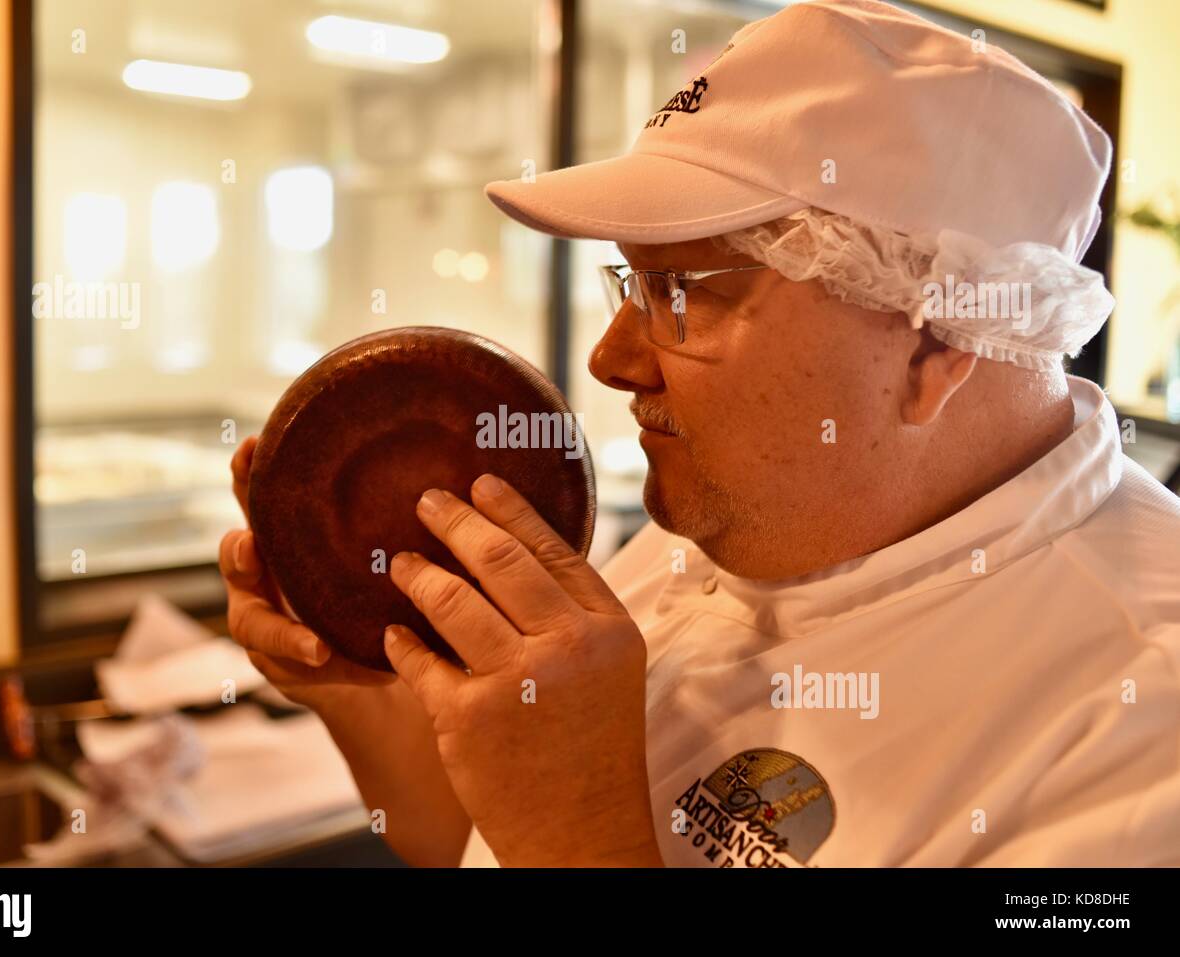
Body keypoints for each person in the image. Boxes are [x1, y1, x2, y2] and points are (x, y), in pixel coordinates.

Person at [220, 0, 1180, 867]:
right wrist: (364, 690)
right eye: (632, 282)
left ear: (934, 343)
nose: (610, 358)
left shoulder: (1141, 726)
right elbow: (472, 845)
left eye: (681, 293)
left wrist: (581, 839)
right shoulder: (721, 530)